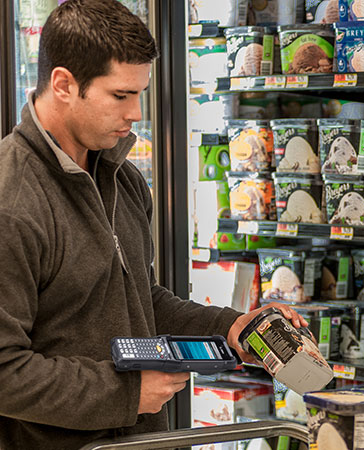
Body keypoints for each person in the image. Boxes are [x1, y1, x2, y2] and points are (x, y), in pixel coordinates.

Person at [0, 1, 307, 448]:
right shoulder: (13, 200)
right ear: (64, 84)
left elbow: (140, 302)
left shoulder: (122, 179)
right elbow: (5, 371)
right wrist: (125, 392)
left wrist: (230, 327)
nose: (135, 113)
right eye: (121, 96)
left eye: (139, 94)